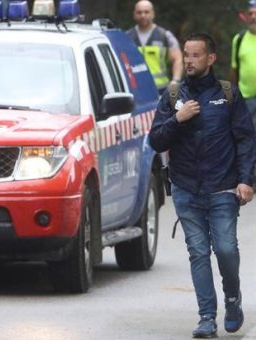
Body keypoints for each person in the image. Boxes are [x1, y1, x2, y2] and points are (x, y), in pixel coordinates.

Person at [149, 32, 255, 338]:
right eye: (186, 54)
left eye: (196, 55)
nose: (189, 60)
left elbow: (246, 141)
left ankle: (232, 299)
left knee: (225, 249)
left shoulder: (228, 95)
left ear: (210, 58)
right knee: (198, 252)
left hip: (223, 188)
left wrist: (247, 180)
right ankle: (206, 317)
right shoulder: (172, 96)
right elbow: (155, 140)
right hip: (186, 189)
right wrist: (177, 119)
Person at [127, 0, 184, 93]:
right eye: (139, 12)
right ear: (134, 14)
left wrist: (175, 80)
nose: (143, 15)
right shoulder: (127, 37)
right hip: (135, 90)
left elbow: (178, 59)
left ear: (153, 13)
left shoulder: (165, 36)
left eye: (146, 12)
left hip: (160, 90)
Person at [230, 0, 256, 129]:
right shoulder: (239, 39)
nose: (253, 17)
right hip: (246, 99)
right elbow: (234, 69)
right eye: (250, 13)